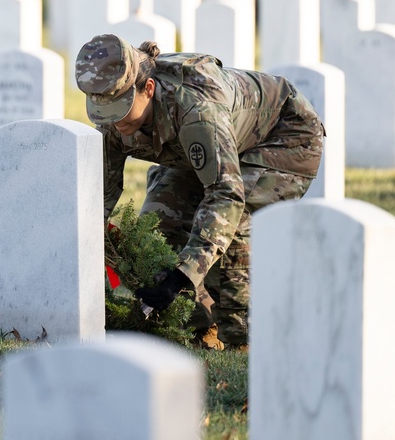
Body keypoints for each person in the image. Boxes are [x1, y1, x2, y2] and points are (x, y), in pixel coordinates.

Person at [74, 34, 324, 349]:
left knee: (229, 227)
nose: (113, 120)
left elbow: (226, 195)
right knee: (159, 223)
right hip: (208, 146)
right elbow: (100, 196)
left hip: (282, 138)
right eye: (103, 109)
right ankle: (197, 322)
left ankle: (240, 336)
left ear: (148, 89)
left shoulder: (197, 112)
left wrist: (182, 275)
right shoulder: (116, 114)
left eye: (121, 107)